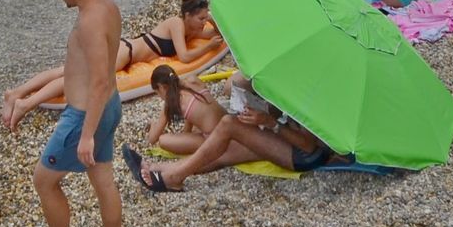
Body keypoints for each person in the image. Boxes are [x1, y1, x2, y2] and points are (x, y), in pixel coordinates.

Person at [26, 0, 125, 227]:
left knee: (44, 181)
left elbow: (97, 81)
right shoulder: (108, 7)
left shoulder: (88, 21)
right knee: (103, 181)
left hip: (85, 114)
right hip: (110, 105)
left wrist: (85, 135)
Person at [0, 0, 221, 126]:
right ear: (188, 15)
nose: (204, 22)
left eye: (205, 18)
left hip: (122, 51)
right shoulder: (176, 23)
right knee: (76, 77)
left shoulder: (193, 30)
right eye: (200, 17)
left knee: (65, 70)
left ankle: (16, 94)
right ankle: (25, 104)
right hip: (125, 53)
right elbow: (184, 56)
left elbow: (217, 29)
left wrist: (211, 18)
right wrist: (209, 46)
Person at [124, 74, 349, 190]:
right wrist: (266, 111)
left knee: (228, 124)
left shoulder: (315, 97)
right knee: (225, 152)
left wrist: (271, 123)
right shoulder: (304, 86)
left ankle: (174, 176)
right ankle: (160, 169)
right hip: (288, 142)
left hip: (303, 155)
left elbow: (309, 145)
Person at [139, 63, 228, 156]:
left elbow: (152, 139)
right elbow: (193, 113)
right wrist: (186, 133)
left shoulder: (171, 102)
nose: (160, 97)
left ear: (161, 87)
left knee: (163, 140)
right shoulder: (192, 80)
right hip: (228, 124)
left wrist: (154, 124)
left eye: (158, 93)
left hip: (216, 140)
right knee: (198, 125)